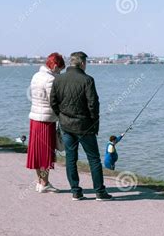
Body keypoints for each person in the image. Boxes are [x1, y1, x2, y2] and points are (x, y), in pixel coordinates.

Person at [50, 51, 113, 201]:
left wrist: (62, 116)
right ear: (83, 63)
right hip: (84, 126)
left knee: (71, 158)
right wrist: (94, 123)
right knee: (93, 159)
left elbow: (53, 102)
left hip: (66, 125)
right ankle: (99, 191)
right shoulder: (87, 80)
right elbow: (93, 105)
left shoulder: (58, 79)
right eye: (86, 63)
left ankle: (76, 192)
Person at [26, 52, 65, 193]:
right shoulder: (50, 79)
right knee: (46, 153)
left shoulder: (36, 76)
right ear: (54, 66)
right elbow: (53, 100)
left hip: (35, 118)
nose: (60, 72)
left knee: (37, 152)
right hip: (46, 120)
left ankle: (40, 182)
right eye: (59, 69)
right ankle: (45, 183)